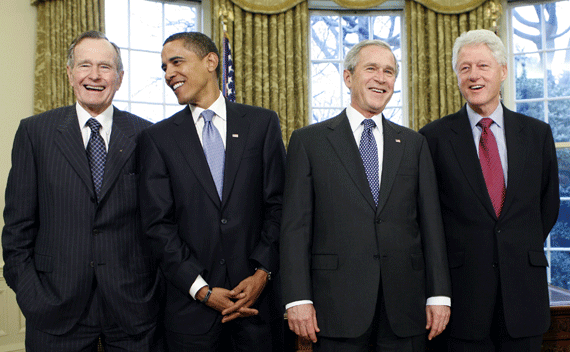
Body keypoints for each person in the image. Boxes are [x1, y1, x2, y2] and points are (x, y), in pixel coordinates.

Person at [280, 39, 452, 352]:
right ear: (348, 77)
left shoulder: (414, 144)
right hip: (335, 308)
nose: (381, 77)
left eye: (389, 71)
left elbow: (431, 225)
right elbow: (295, 228)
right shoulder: (309, 142)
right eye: (371, 68)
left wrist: (439, 295)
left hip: (405, 309)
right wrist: (297, 298)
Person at [2, 31, 162, 351]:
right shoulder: (35, 133)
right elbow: (18, 228)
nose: (94, 75)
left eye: (105, 67)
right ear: (69, 73)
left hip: (133, 310)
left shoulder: (149, 136)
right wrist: (33, 297)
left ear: (119, 77)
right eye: (84, 65)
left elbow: (161, 225)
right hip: (54, 309)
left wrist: (152, 293)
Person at [138, 31, 286, 351]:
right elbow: (158, 226)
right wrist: (202, 291)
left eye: (176, 62)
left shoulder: (262, 124)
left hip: (257, 308)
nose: (168, 74)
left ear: (210, 61)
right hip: (191, 315)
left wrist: (262, 273)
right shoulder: (158, 139)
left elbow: (279, 205)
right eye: (164, 67)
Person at [419, 29, 560, 351]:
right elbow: (429, 215)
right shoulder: (433, 138)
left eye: (483, 65)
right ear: (456, 76)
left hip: (525, 296)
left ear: (503, 71)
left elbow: (547, 205)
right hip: (462, 300)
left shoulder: (537, 134)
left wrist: (515, 246)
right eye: (464, 67)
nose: (473, 75)